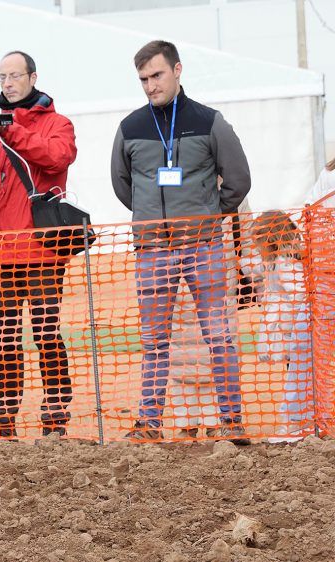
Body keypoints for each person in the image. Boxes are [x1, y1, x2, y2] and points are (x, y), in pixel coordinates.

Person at [111, 40, 250, 443]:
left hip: (203, 245)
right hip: (152, 249)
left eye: (157, 75)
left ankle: (232, 419)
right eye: (143, 79)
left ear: (177, 70)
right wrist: (150, 216)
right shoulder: (130, 128)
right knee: (154, 341)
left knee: (219, 336)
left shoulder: (210, 121)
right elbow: (124, 186)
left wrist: (207, 213)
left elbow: (239, 180)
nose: (151, 86)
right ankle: (149, 423)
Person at [0, 50, 77, 439]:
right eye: (1, 77)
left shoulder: (56, 123)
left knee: (46, 334)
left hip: (42, 252)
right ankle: (5, 418)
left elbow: (57, 158)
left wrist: (11, 130)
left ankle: (56, 415)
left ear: (32, 77)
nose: (7, 83)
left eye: (14, 76)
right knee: (2, 340)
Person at [245, 212, 311, 443]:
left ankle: (296, 422)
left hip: (292, 325)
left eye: (258, 241)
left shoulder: (285, 261)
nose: (256, 247)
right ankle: (300, 420)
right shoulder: (275, 259)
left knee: (298, 371)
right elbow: (253, 269)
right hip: (287, 324)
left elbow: (298, 294)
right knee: (295, 370)